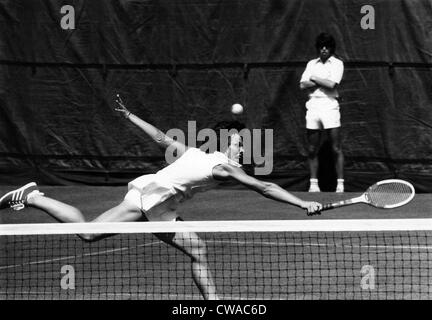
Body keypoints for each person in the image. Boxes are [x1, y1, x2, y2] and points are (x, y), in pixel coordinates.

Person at [0, 96, 322, 300]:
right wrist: (302, 203)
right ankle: (34, 196)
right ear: (226, 145)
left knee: (197, 248)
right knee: (87, 232)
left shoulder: (195, 152)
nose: (242, 148)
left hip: (163, 208)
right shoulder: (223, 168)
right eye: (238, 143)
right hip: (147, 200)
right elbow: (264, 188)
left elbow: (160, 138)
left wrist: (130, 117)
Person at [300, 32, 345, 193]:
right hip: (313, 106)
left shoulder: (338, 64)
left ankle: (340, 185)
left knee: (336, 148)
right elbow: (303, 85)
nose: (324, 49)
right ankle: (313, 184)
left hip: (330, 106)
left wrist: (314, 78)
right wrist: (321, 80)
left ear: (331, 48)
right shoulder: (311, 63)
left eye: (327, 47)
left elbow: (332, 85)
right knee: (312, 149)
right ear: (318, 48)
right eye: (321, 47)